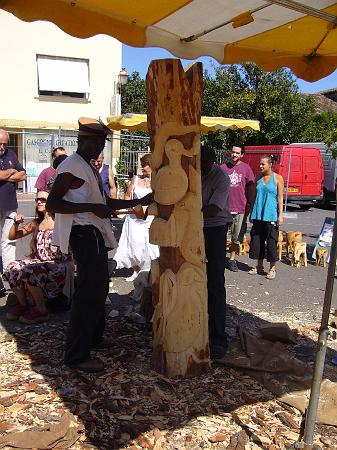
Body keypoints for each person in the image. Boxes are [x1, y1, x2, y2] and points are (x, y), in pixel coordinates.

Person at [46, 117, 152, 373]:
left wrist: (141, 200)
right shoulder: (71, 166)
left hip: (93, 233)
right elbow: (52, 204)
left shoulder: (88, 166)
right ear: (84, 140)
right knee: (88, 292)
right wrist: (90, 208)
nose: (100, 148)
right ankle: (76, 355)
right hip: (82, 234)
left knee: (99, 287)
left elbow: (106, 202)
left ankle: (93, 339)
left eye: (103, 143)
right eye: (97, 142)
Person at [4, 191, 71, 324]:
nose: (38, 202)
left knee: (29, 270)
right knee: (11, 268)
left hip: (57, 264)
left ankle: (41, 310)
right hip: (39, 262)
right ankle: (24, 305)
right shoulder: (36, 223)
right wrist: (16, 223)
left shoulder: (60, 222)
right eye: (37, 199)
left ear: (51, 201)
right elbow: (12, 236)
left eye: (42, 199)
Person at [201, 145, 232, 360]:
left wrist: (185, 211)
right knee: (192, 278)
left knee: (214, 282)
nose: (199, 166)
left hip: (215, 228)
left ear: (211, 160)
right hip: (194, 226)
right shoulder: (190, 172)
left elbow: (212, 209)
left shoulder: (221, 178)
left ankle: (218, 337)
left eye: (203, 162)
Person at [113, 154, 159, 281]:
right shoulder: (136, 178)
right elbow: (127, 195)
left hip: (148, 218)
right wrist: (131, 208)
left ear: (152, 166)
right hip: (134, 218)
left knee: (148, 246)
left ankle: (147, 271)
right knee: (132, 244)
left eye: (145, 165)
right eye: (142, 165)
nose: (142, 168)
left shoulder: (158, 180)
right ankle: (135, 270)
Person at [248, 155, 284, 280]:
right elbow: (253, 196)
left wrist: (280, 215)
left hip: (271, 215)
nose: (260, 166)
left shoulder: (278, 178)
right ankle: (259, 265)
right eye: (260, 164)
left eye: (263, 164)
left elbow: (280, 198)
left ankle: (272, 268)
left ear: (270, 165)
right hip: (258, 214)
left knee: (271, 242)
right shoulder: (258, 177)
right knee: (257, 240)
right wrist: (251, 212)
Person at [221, 144, 255, 272]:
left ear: (242, 155)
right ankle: (220, 257)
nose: (234, 155)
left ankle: (232, 259)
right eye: (233, 152)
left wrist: (249, 207)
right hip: (223, 208)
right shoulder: (222, 168)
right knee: (221, 235)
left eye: (237, 153)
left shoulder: (246, 169)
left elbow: (251, 189)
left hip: (239, 208)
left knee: (236, 236)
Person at [0, 129, 26, 286]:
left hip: (10, 205)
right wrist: (10, 172)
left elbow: (22, 175)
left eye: (4, 143)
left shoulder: (11, 154)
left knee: (8, 240)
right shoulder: (10, 162)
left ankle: (9, 272)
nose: (2, 146)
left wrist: (5, 175)